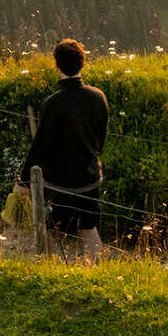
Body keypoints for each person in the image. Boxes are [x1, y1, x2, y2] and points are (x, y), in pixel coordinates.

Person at [18, 38, 108, 259]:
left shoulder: (52, 104)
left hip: (60, 182)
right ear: (83, 63)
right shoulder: (98, 98)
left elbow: (41, 149)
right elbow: (101, 139)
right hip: (90, 176)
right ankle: (99, 272)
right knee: (89, 227)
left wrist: (22, 181)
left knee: (49, 227)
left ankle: (50, 269)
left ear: (57, 65)